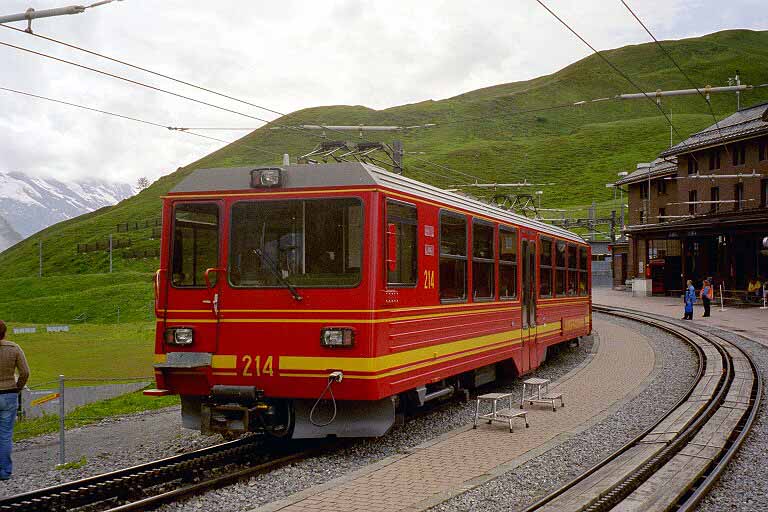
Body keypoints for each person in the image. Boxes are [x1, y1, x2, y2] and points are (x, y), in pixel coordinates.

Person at [0, 321, 30, 481]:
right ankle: (4, 471)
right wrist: (17, 388)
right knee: (5, 435)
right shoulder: (14, 348)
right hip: (9, 394)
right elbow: (25, 372)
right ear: (5, 332)